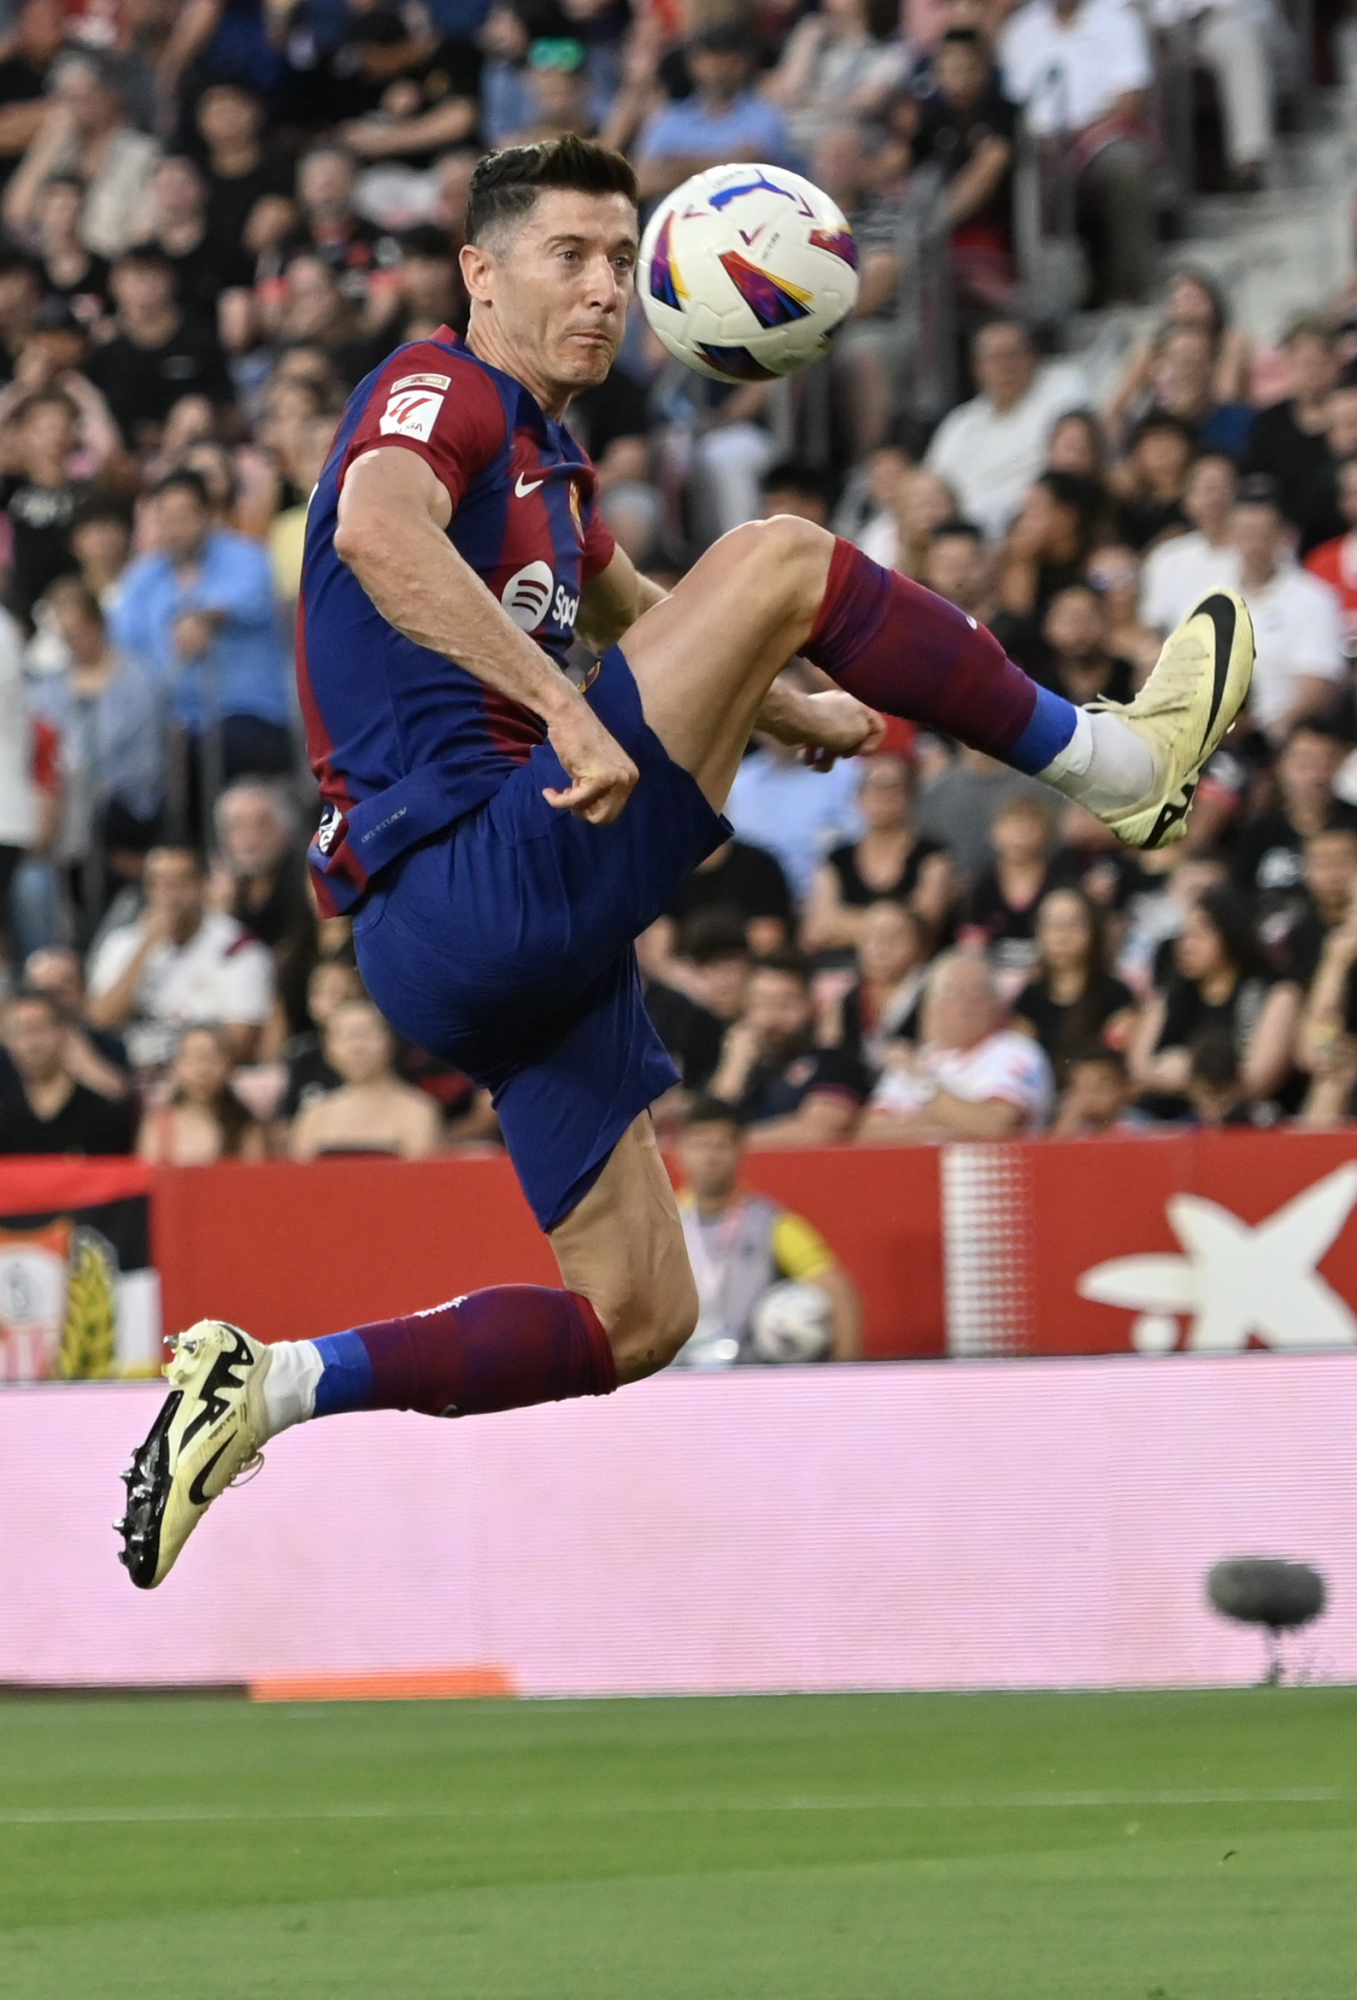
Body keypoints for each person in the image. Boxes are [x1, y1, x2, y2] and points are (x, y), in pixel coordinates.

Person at [116, 135, 1254, 1593]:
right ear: (480, 269)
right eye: (566, 257)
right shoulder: (439, 387)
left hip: (483, 947)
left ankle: (270, 1387)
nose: (602, 289)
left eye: (615, 257)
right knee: (782, 553)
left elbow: (630, 602)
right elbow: (376, 528)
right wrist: (570, 705)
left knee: (639, 1315)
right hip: (473, 869)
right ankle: (1121, 771)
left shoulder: (550, 458)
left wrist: (795, 701)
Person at [110, 468, 295, 797]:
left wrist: (204, 618)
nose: (174, 529)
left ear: (207, 514)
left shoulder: (246, 556)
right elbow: (126, 644)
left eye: (183, 516)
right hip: (174, 720)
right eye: (165, 518)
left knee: (215, 751)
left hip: (248, 713)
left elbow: (246, 600)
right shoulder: (143, 578)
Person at [670, 1095, 862, 1367]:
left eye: (720, 1145)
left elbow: (838, 1292)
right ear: (679, 1152)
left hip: (751, 1380)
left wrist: (845, 1376)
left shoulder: (771, 1223)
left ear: (741, 1151)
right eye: (699, 1145)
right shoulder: (661, 1226)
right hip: (677, 1381)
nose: (709, 1157)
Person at [997, 0, 1155, 305]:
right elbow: (1010, 104)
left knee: (1126, 166)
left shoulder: (1117, 20)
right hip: (1036, 144)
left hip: (1099, 135)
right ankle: (1035, 301)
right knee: (1004, 173)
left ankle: (1129, 284)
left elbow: (1130, 98)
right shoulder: (1020, 29)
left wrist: (1077, 134)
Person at [86, 843, 274, 1070]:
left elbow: (240, 1043)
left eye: (180, 883)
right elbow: (100, 1020)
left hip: (201, 1080)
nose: (168, 895)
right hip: (131, 1074)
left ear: (203, 885)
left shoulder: (239, 949)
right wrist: (145, 947)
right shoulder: (123, 943)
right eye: (157, 884)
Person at [1127, 884, 1300, 1113]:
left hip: (1246, 1118)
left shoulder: (1274, 992)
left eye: (1200, 934)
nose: (1186, 946)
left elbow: (1259, 1080)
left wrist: (1191, 1074)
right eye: (1184, 935)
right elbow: (1138, 1071)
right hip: (1169, 1118)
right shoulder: (1170, 994)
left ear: (1232, 933)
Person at [859, 948, 1054, 1140]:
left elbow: (996, 1126)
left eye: (976, 992)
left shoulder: (1016, 1051)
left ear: (995, 1001)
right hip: (913, 1169)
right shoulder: (919, 1058)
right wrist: (951, 1120)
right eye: (951, 991)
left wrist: (923, 1085)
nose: (964, 1003)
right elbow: (868, 1135)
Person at [924, 318, 1087, 541]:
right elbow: (934, 481)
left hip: (1029, 525)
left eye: (1013, 354)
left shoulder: (1064, 391)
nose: (1005, 366)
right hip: (961, 535)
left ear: (1033, 357)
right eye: (994, 358)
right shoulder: (961, 423)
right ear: (977, 368)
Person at [1228, 476, 1346, 741]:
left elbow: (1318, 685)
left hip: (1277, 736)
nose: (1254, 545)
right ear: (1232, 535)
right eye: (1245, 533)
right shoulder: (1211, 595)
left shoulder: (1314, 598)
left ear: (1283, 536)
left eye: (1263, 534)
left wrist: (1270, 735)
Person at [85, 245, 233, 451]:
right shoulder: (107, 352)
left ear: (170, 280)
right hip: (128, 458)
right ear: (115, 285)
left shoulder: (199, 339)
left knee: (193, 410)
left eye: (152, 276)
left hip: (194, 451)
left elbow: (228, 408)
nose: (144, 287)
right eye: (136, 277)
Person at [801, 753, 953, 952]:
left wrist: (842, 922)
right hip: (841, 968)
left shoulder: (934, 856)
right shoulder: (837, 858)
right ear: (858, 796)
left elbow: (924, 927)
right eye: (874, 785)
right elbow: (816, 931)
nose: (883, 795)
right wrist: (892, 927)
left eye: (893, 786)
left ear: (911, 795)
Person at [633, 25, 797, 202]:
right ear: (693, 63)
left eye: (727, 62)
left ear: (744, 64)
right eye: (709, 61)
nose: (717, 71)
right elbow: (641, 182)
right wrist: (728, 162)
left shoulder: (766, 117)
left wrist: (675, 165)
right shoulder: (670, 118)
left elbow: (759, 177)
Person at [289, 995, 443, 1161]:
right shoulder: (314, 1116)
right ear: (327, 1049)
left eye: (366, 1033)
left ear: (390, 1041)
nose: (357, 1047)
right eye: (345, 1036)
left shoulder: (418, 1111)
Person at [1011, 886, 1136, 1080]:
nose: (1061, 935)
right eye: (1051, 924)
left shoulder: (1117, 996)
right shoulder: (1028, 997)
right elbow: (1020, 1062)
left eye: (1072, 924)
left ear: (1093, 930)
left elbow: (1115, 1066)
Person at [0, 984, 136, 1153]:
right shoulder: (5, 1118)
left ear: (64, 1032)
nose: (31, 1044)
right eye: (19, 1032)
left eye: (39, 1029)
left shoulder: (103, 1116)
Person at [138, 1022, 266, 1166]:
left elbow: (255, 1180)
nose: (202, 1070)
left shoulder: (245, 1127)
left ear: (229, 1065)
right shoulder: (158, 1125)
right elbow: (150, 1179)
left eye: (212, 1058)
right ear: (175, 1066)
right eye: (192, 1059)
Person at [1139, 452, 1240, 633]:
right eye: (1208, 488)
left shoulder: (1261, 556)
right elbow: (1153, 625)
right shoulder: (1167, 557)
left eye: (1223, 487)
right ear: (1188, 499)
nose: (1215, 497)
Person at [1049, 1041, 1142, 1135]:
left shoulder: (1136, 1127)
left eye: (1099, 1089)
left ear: (1126, 1089)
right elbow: (1051, 1148)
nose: (1088, 1097)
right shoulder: (1073, 1128)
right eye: (1079, 1089)